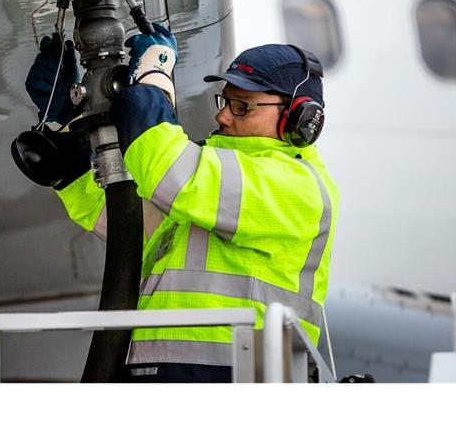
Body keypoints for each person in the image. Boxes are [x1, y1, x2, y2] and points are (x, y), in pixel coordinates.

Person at [24, 24, 340, 382]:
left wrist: (153, 78)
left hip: (236, 380)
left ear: (299, 119)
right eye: (225, 101)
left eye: (242, 107)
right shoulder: (214, 186)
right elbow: (127, 227)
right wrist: (70, 125)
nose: (222, 116)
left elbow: (170, 171)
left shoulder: (297, 187)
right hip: (173, 376)